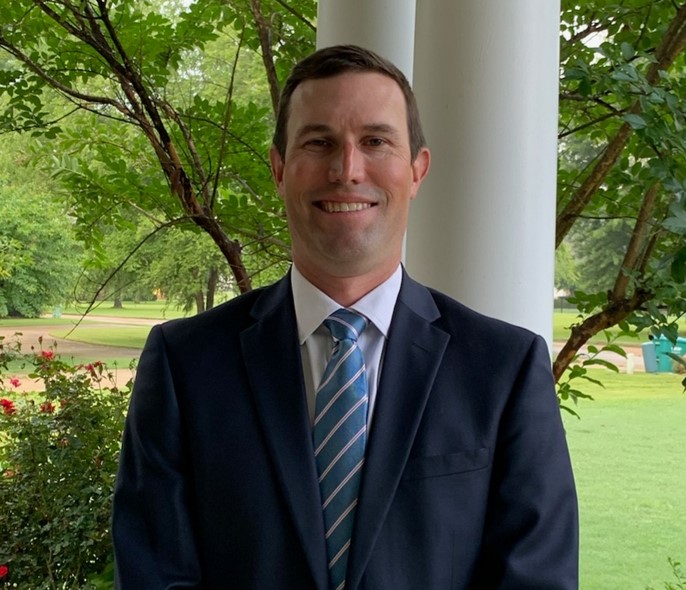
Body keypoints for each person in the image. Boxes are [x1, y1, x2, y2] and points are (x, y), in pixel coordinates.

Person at [112, 45, 578, 589]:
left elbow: (536, 579)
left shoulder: (504, 368)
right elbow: (154, 575)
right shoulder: (184, 363)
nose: (346, 170)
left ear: (417, 170)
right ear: (279, 168)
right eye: (319, 142)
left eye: (376, 141)